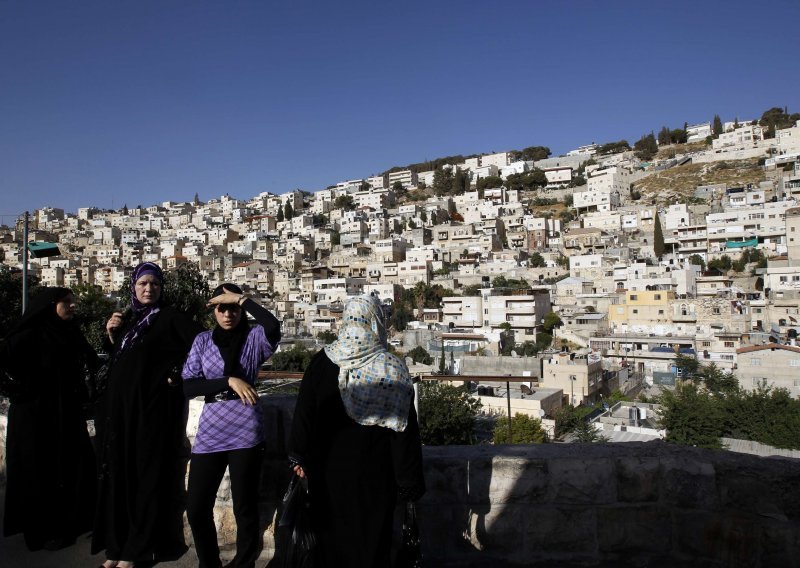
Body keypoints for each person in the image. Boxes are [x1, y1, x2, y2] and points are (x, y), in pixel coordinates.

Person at [289, 294, 425, 568]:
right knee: (372, 546)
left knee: (330, 547)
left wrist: (297, 456)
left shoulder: (321, 363)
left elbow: (304, 414)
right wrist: (409, 484)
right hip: (374, 478)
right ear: (376, 323)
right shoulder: (392, 370)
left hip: (328, 475)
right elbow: (403, 434)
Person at [92, 262, 202, 568]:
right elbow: (120, 362)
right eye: (142, 283)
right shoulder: (128, 321)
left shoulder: (170, 318)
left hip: (150, 413)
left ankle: (136, 550)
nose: (148, 288)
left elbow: (202, 344)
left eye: (154, 283)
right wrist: (111, 335)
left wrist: (178, 373)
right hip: (118, 414)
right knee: (118, 477)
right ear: (133, 287)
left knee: (144, 478)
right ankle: (116, 546)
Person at [182, 284, 281, 568]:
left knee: (245, 506)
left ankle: (243, 563)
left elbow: (273, 325)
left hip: (246, 430)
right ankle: (209, 562)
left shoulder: (253, 338)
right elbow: (189, 386)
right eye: (221, 307)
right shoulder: (202, 341)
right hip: (211, 430)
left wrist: (241, 298)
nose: (227, 313)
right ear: (213, 310)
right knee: (197, 505)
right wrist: (228, 380)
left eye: (233, 308)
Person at [0, 287, 98, 551]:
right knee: (38, 470)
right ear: (50, 305)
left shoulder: (70, 332)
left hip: (66, 412)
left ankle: (69, 525)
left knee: (69, 466)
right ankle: (41, 530)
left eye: (73, 301)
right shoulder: (28, 335)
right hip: (34, 417)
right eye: (67, 302)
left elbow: (91, 360)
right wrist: (18, 390)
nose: (73, 306)